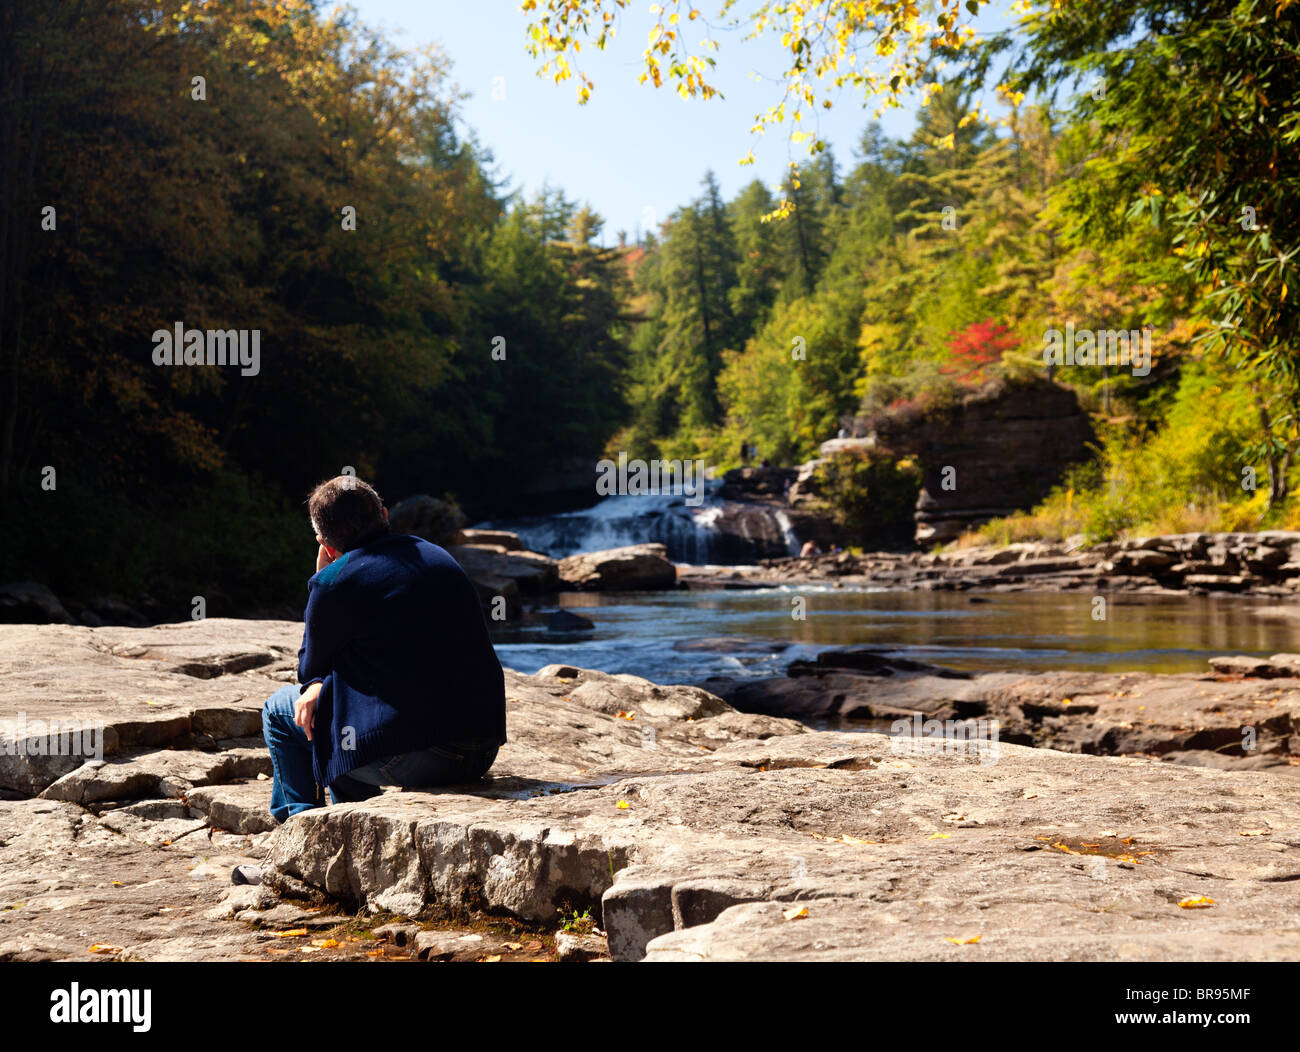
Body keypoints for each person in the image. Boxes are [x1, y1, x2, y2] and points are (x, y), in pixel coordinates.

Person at [233, 476, 505, 884]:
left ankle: (298, 856)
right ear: (383, 514)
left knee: (279, 710)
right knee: (339, 718)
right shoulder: (436, 556)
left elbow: (309, 670)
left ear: (324, 542)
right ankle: (359, 856)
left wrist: (321, 581)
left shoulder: (335, 581)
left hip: (419, 760)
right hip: (480, 748)